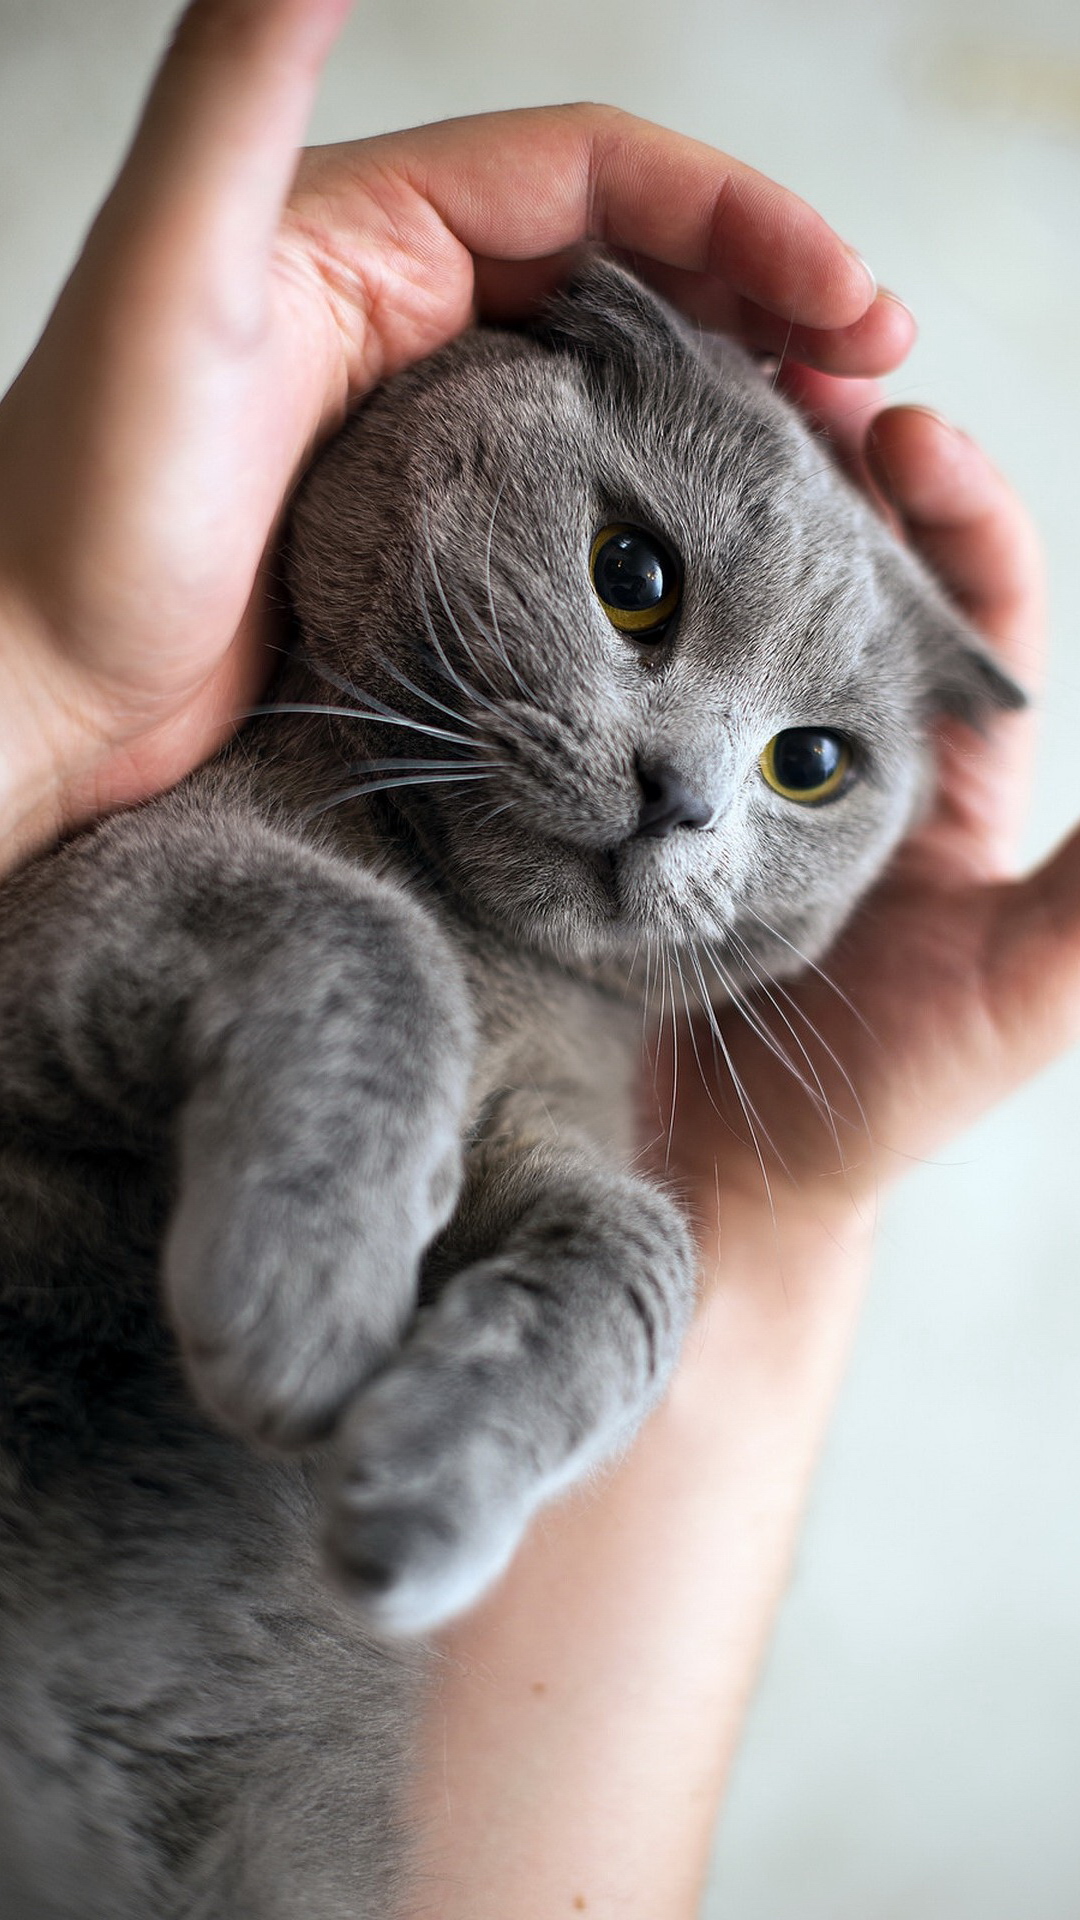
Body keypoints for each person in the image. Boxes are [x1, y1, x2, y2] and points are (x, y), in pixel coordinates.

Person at [0, 2, 1070, 1915]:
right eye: (639, 585)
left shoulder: (601, 1065)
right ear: (489, 371)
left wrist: (699, 1254)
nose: (689, 795)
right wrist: (41, 668)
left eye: (808, 766)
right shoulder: (245, 776)